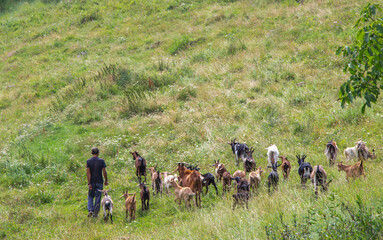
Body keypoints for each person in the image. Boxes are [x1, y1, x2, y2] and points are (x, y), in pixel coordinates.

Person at [87, 147, 108, 217]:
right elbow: (104, 172)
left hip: (92, 182)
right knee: (98, 197)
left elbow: (88, 173)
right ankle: (96, 213)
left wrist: (89, 183)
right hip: (99, 181)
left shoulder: (89, 161)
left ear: (91, 153)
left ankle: (90, 210)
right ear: (98, 153)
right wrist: (106, 180)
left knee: (90, 196)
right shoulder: (101, 161)